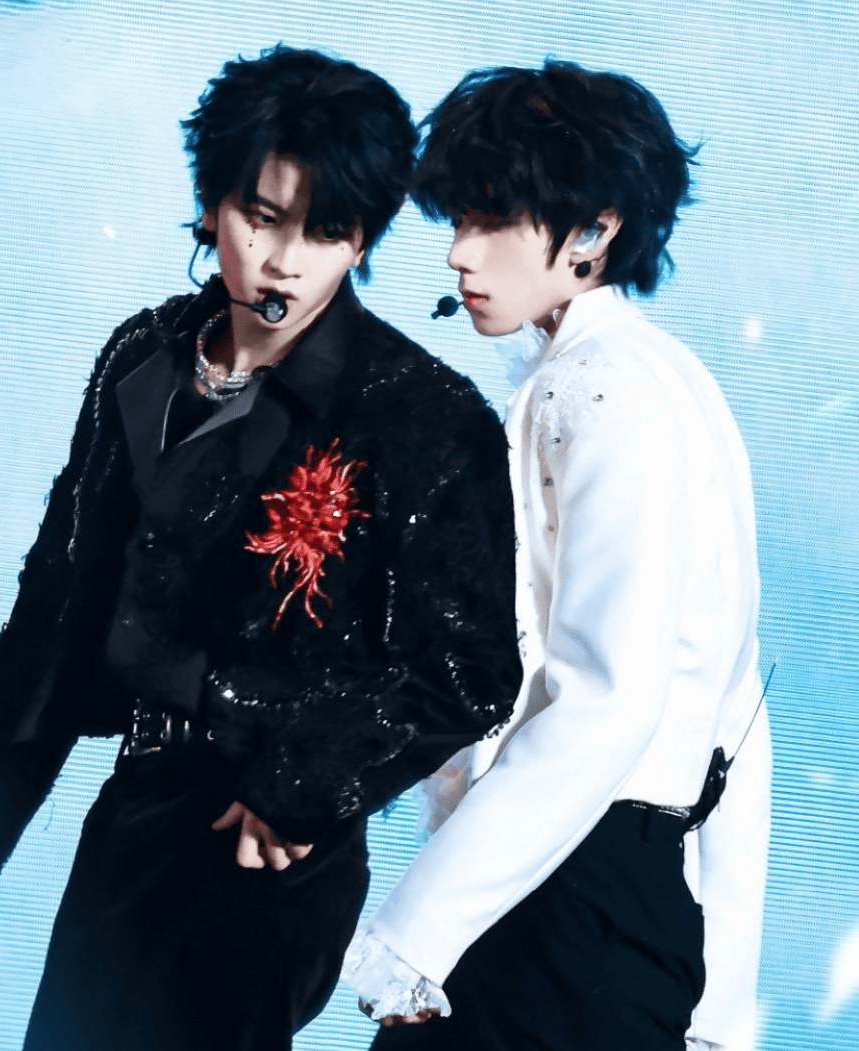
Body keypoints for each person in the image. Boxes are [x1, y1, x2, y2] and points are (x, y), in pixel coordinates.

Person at [0, 46, 524, 1051]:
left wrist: (303, 786)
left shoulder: (421, 416)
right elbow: (56, 607)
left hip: (268, 852)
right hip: (134, 812)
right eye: (261, 217)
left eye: (326, 232)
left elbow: (471, 669)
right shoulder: (143, 355)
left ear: (362, 238)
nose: (284, 260)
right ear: (211, 201)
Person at [342, 60, 772, 1051]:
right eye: (458, 218)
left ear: (594, 230)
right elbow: (736, 714)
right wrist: (721, 1010)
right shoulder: (666, 380)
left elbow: (607, 697)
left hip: (563, 901)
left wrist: (415, 929)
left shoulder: (601, 389)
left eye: (492, 219)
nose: (458, 252)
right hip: (612, 895)